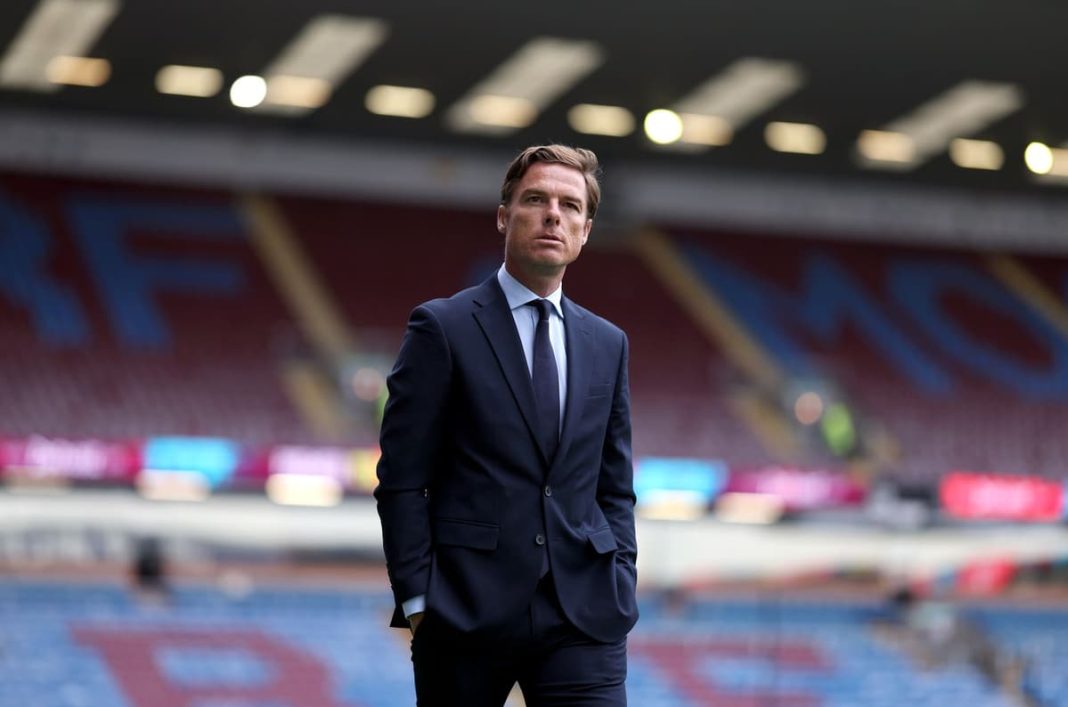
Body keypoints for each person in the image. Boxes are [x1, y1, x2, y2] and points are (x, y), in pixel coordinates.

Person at [375, 144, 638, 706]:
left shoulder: (608, 343)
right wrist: (419, 601)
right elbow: (402, 480)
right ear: (504, 216)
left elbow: (614, 486)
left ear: (585, 231)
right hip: (465, 612)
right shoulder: (442, 328)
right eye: (536, 200)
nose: (553, 216)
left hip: (583, 615)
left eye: (570, 206)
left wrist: (621, 576)